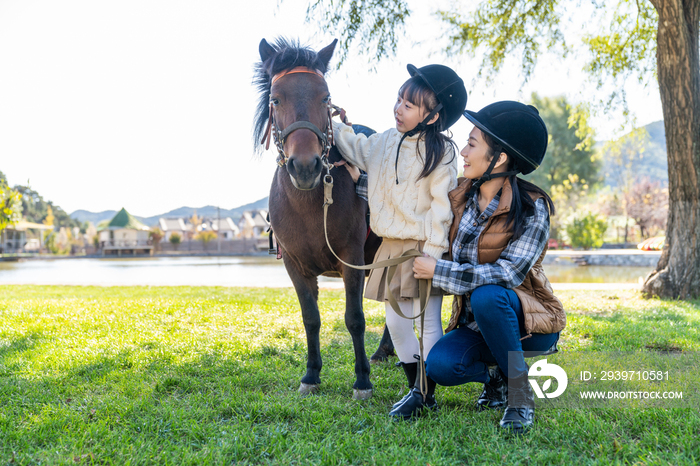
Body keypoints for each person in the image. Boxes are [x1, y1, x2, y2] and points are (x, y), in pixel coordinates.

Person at [412, 101, 566, 434]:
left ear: (499, 158)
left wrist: (437, 271)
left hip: (528, 324)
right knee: (441, 367)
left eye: (472, 143)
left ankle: (519, 393)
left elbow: (508, 274)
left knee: (488, 295)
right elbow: (405, 201)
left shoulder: (532, 208)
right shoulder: (458, 197)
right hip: (473, 325)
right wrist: (353, 177)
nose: (463, 151)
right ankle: (497, 377)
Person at [333, 64, 468, 419]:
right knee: (395, 324)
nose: (398, 108)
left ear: (432, 115)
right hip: (391, 245)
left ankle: (425, 393)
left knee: (427, 323)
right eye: (398, 100)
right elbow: (355, 147)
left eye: (409, 105)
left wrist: (434, 256)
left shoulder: (442, 153)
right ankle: (417, 390)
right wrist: (330, 120)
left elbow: (442, 209)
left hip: (424, 247)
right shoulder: (384, 141)